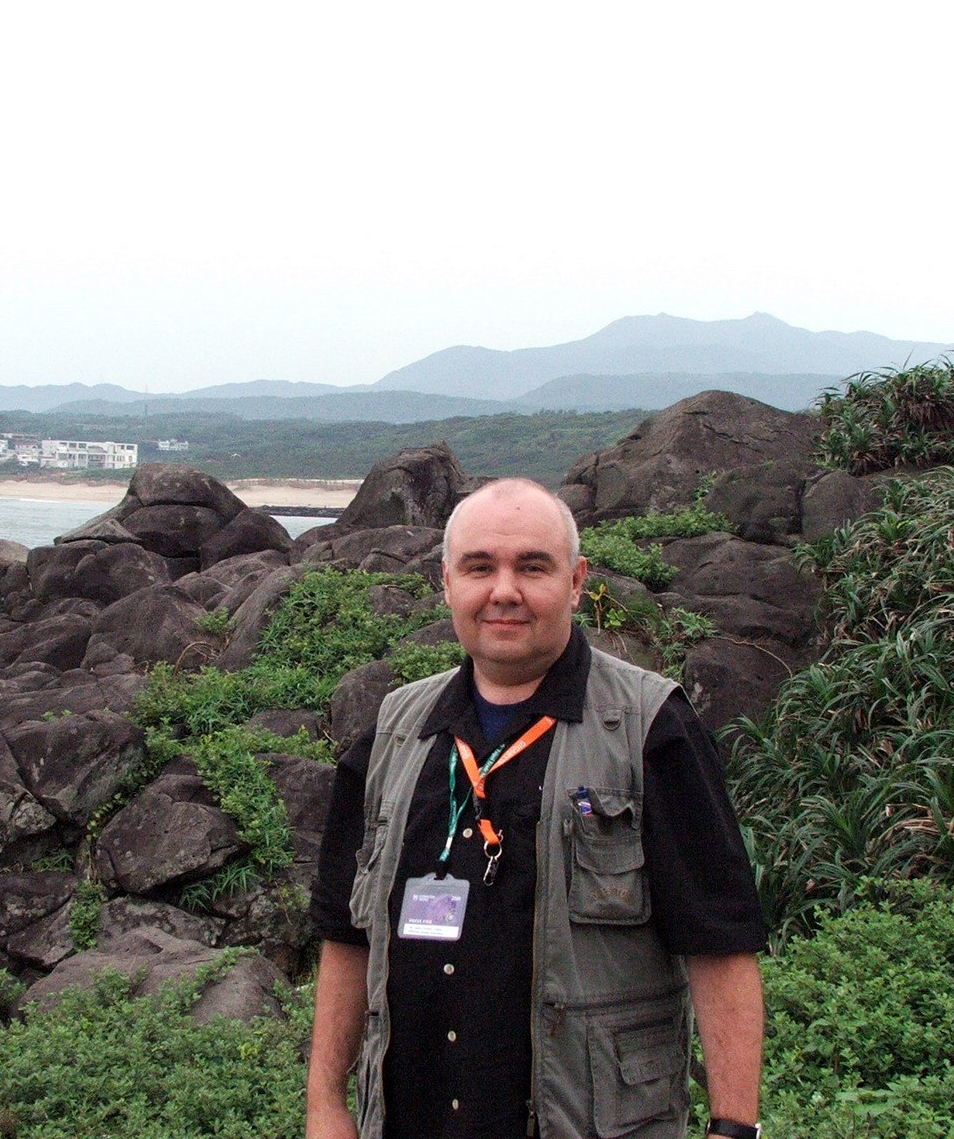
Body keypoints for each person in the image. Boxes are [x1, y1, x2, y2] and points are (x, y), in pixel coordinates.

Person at [306, 477, 767, 1139]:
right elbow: (345, 934)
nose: (504, 591)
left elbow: (721, 943)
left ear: (575, 582)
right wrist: (326, 1103)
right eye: (479, 568)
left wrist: (734, 1129)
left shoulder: (648, 726)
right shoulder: (394, 729)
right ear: (446, 583)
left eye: (532, 567)